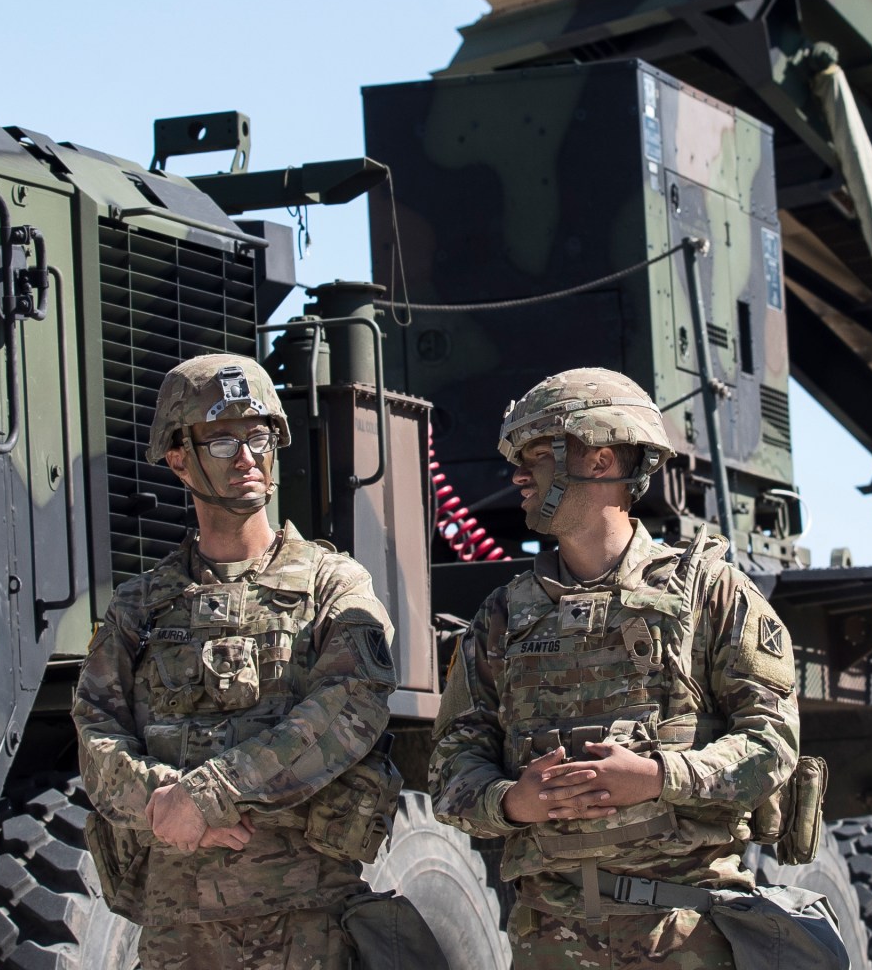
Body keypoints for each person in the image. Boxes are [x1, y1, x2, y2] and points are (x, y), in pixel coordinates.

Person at [429, 367, 801, 970]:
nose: (518, 476)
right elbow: (449, 766)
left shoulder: (711, 594)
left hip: (686, 936)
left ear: (600, 461)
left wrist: (659, 778)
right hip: (548, 940)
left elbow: (772, 745)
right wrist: (512, 802)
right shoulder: (503, 616)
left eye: (536, 456)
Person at [73, 354, 401, 970]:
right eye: (224, 440)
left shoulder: (333, 584)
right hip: (177, 932)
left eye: (260, 437)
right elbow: (96, 736)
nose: (248, 457)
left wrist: (210, 795)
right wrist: (165, 801)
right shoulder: (139, 606)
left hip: (307, 926)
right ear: (178, 457)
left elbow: (349, 710)